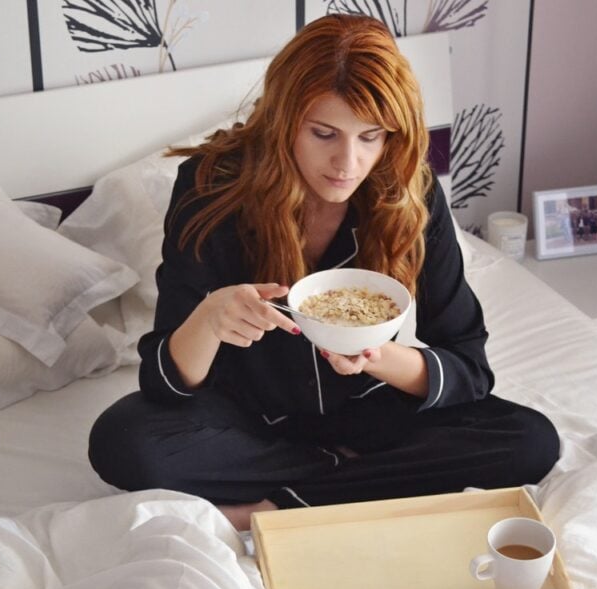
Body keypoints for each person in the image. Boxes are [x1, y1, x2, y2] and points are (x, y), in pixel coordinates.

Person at [89, 14, 559, 531]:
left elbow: (467, 363)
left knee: (529, 439)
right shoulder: (210, 188)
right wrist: (209, 318)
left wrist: (377, 359)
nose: (347, 163)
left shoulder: (410, 193)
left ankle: (278, 508)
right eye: (324, 133)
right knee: (123, 440)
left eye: (370, 137)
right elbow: (164, 381)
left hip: (372, 413)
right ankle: (357, 482)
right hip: (247, 420)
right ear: (284, 119)